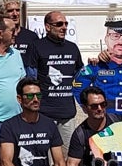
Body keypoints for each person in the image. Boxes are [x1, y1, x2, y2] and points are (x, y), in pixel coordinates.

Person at [23, 10, 83, 148]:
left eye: (66, 24)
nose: (64, 27)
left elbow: (80, 76)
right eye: (59, 24)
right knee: (46, 158)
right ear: (48, 27)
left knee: (68, 156)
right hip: (44, 113)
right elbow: (31, 78)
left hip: (67, 113)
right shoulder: (36, 46)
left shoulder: (72, 48)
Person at [72, 18, 122, 119]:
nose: (121, 41)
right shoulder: (96, 66)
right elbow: (78, 86)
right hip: (104, 120)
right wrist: (89, 109)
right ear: (107, 39)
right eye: (115, 37)